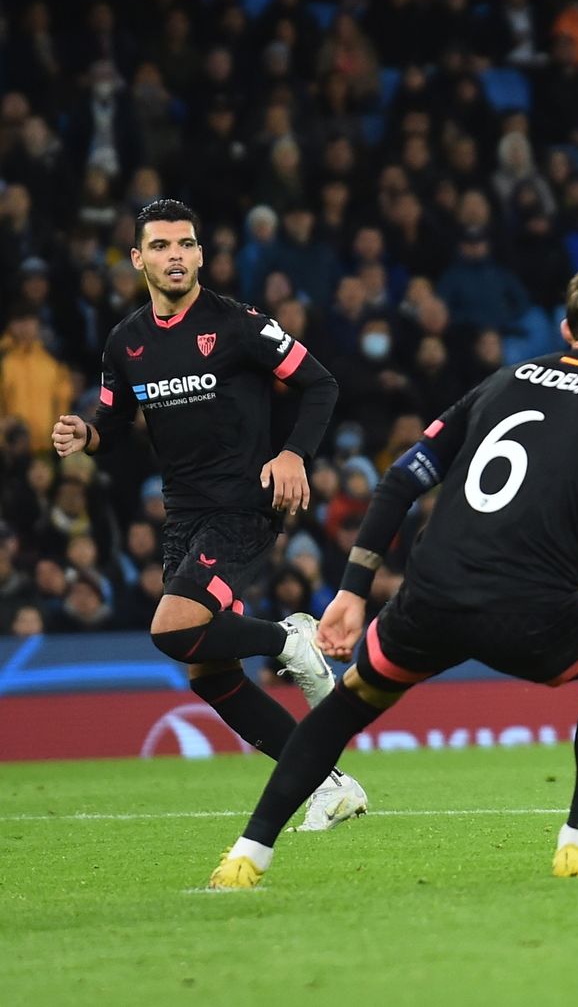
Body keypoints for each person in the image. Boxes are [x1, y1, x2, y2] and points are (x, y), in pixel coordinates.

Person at [207, 248, 578, 889]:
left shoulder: (504, 380)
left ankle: (246, 855)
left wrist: (351, 592)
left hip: (431, 599)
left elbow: (402, 479)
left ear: (566, 332)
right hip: (530, 612)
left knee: (346, 707)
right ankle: (576, 844)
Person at [51, 199, 365, 829]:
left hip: (244, 504)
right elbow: (114, 421)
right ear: (138, 259)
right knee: (206, 670)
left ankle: (289, 641)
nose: (177, 256)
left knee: (170, 630)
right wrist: (87, 434)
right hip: (184, 514)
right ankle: (327, 785)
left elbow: (321, 382)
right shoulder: (127, 342)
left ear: (200, 254)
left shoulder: (240, 325)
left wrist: (294, 454)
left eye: (187, 245)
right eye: (162, 246)